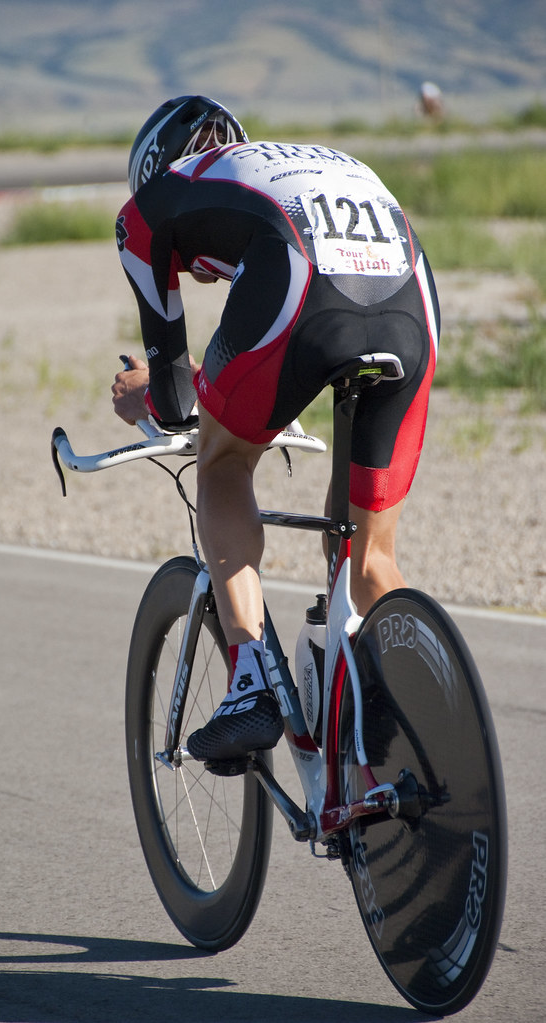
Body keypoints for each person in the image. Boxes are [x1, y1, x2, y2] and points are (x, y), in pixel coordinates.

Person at [112, 95, 440, 767]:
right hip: (412, 300)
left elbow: (175, 394)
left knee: (223, 463)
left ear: (154, 168)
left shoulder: (148, 208)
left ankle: (249, 681)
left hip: (302, 283)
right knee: (367, 551)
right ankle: (400, 711)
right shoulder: (288, 164)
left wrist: (153, 394)